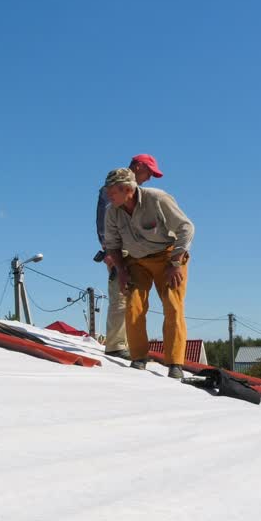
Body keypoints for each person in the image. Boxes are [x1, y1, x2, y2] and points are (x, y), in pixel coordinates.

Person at [101, 167, 195, 378]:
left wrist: (176, 262)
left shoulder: (157, 199)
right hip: (136, 261)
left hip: (168, 258)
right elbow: (113, 245)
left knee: (172, 305)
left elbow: (186, 228)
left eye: (112, 191)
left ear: (128, 189)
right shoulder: (112, 212)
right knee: (133, 305)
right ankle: (139, 358)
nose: (108, 195)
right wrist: (122, 270)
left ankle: (175, 364)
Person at [94, 154, 164, 359]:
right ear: (139, 166)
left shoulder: (136, 193)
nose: (150, 177)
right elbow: (104, 222)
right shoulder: (115, 189)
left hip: (134, 249)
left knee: (133, 296)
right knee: (121, 294)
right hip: (119, 250)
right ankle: (116, 345)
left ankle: (125, 342)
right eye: (149, 172)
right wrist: (108, 251)